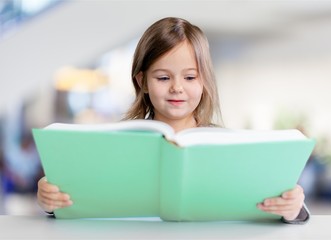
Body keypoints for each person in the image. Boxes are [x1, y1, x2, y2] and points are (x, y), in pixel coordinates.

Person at [37, 17, 309, 224]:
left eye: (190, 77)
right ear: (142, 81)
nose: (177, 88)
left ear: (204, 81)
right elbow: (81, 199)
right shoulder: (115, 142)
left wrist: (292, 209)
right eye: (163, 77)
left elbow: (278, 206)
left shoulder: (229, 145)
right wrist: (50, 201)